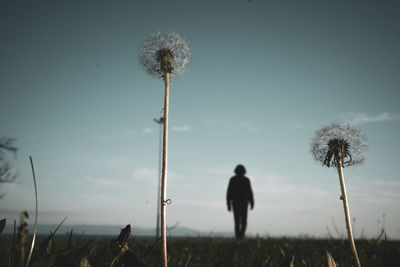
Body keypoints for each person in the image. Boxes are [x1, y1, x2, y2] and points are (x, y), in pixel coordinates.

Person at [226, 164, 254, 239]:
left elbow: (249, 192)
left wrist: (228, 204)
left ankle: (239, 237)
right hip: (241, 204)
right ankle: (240, 237)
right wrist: (252, 202)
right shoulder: (243, 180)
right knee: (241, 222)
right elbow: (229, 192)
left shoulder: (236, 180)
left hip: (239, 204)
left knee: (238, 222)